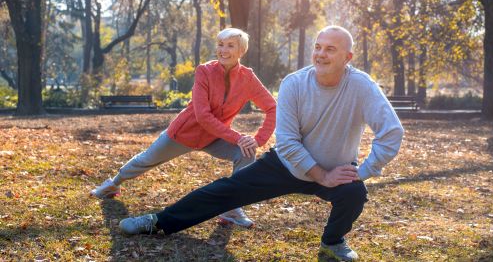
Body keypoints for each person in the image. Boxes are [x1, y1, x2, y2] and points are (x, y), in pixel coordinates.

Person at [118, 26, 404, 261]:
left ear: (348, 57)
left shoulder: (362, 86)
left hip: (336, 168)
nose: (321, 53)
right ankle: (158, 221)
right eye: (318, 46)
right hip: (286, 165)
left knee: (354, 194)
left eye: (330, 49)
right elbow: (289, 142)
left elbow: (391, 132)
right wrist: (322, 176)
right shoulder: (294, 84)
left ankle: (333, 241)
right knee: (224, 191)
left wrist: (362, 172)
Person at [90, 28, 277, 228]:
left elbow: (272, 107)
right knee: (146, 159)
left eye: (230, 46)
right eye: (220, 44)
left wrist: (257, 140)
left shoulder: (247, 78)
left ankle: (231, 207)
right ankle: (113, 183)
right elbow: (203, 116)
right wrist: (237, 136)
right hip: (184, 134)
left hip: (214, 138)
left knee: (246, 151)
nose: (223, 50)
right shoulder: (204, 71)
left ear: (241, 51)